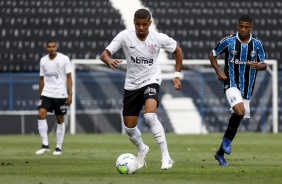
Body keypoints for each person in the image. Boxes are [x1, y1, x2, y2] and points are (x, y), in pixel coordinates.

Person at [100, 8, 183, 170]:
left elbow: (178, 51)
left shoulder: (158, 38)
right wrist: (108, 60)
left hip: (151, 81)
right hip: (131, 85)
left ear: (150, 23)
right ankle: (142, 149)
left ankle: (166, 157)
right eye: (138, 24)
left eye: (144, 24)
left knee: (150, 116)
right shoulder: (125, 36)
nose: (141, 28)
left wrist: (177, 74)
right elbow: (104, 53)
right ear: (134, 23)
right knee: (130, 128)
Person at [209, 15, 267, 166]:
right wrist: (218, 72)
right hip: (231, 82)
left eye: (246, 27)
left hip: (247, 87)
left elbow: (264, 64)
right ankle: (226, 141)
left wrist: (259, 66)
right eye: (241, 26)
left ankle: (220, 153)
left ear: (251, 28)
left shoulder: (257, 44)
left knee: (238, 117)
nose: (243, 29)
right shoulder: (228, 41)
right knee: (239, 112)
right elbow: (212, 54)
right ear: (237, 26)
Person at [35, 40, 73, 156]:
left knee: (60, 119)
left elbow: (69, 77)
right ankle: (45, 145)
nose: (52, 48)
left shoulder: (64, 59)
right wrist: (40, 95)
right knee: (41, 114)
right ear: (46, 48)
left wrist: (70, 94)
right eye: (49, 47)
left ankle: (58, 147)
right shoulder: (43, 60)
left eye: (53, 46)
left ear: (56, 47)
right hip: (47, 93)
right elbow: (41, 79)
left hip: (60, 94)